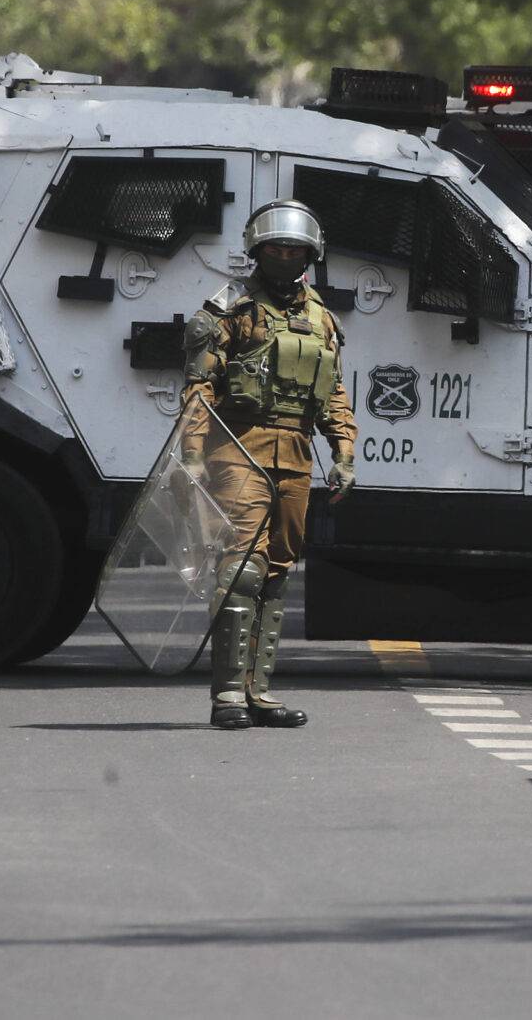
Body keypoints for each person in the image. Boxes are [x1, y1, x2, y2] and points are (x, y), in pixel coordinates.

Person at [181, 199, 357, 731]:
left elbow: (334, 392)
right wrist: (193, 454)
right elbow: (200, 387)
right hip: (240, 449)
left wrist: (344, 453)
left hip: (297, 454)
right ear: (258, 252)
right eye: (275, 249)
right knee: (242, 571)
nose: (285, 257)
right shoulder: (232, 310)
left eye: (294, 250)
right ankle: (228, 696)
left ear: (310, 255)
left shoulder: (321, 319)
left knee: (277, 574)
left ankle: (259, 693)